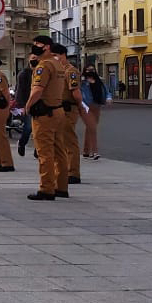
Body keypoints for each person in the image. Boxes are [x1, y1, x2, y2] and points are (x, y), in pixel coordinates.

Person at [24, 35, 68, 201]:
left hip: (45, 114)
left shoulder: (43, 66)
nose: (35, 46)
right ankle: (61, 187)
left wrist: (28, 105)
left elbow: (37, 89)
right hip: (58, 111)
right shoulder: (58, 64)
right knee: (59, 150)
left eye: (38, 44)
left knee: (45, 152)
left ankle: (46, 188)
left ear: (47, 46)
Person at [51, 44, 86, 185]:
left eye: (55, 55)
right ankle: (64, 170)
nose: (54, 58)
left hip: (68, 109)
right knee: (60, 141)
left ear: (62, 55)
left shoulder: (70, 71)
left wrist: (80, 106)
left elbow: (76, 92)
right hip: (58, 109)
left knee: (69, 140)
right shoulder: (58, 71)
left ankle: (73, 172)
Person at [80, 66, 111, 159]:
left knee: (90, 128)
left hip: (97, 106)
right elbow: (78, 93)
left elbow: (107, 91)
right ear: (85, 71)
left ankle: (86, 151)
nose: (90, 71)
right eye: (88, 70)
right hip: (85, 107)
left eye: (92, 70)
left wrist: (108, 98)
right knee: (92, 127)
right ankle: (95, 152)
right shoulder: (82, 82)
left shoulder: (99, 81)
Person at [15, 55, 39, 157]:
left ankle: (37, 150)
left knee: (38, 129)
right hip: (27, 104)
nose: (35, 60)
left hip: (39, 104)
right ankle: (22, 143)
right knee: (29, 127)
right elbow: (19, 90)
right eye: (33, 58)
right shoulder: (24, 74)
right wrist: (22, 106)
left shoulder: (41, 72)